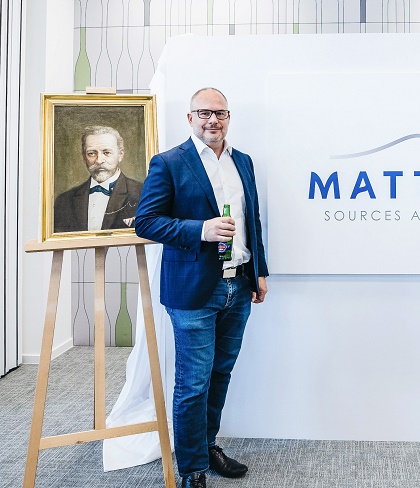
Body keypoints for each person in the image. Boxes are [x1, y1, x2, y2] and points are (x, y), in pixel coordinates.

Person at [135, 87, 269, 488]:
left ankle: (208, 446)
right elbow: (147, 222)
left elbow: (252, 220)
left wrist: (259, 271)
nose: (213, 120)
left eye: (220, 113)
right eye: (204, 113)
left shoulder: (242, 161)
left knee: (220, 373)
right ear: (190, 118)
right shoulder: (169, 163)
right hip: (194, 290)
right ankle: (191, 467)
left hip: (238, 284)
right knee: (193, 383)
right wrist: (201, 230)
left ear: (228, 117)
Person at [54, 125, 143, 232]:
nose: (99, 160)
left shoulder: (143, 193)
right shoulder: (64, 200)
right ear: (84, 157)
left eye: (106, 153)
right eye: (91, 153)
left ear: (120, 154)